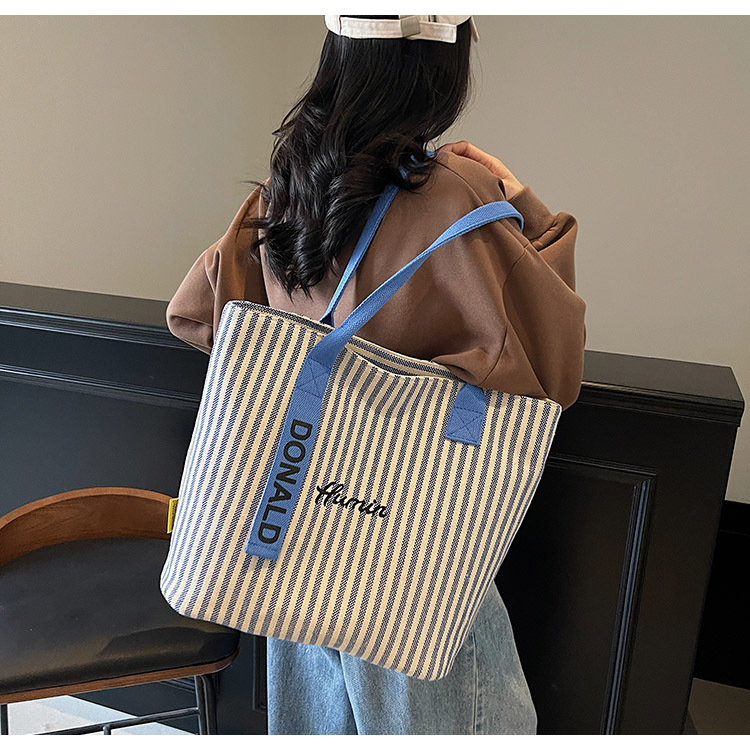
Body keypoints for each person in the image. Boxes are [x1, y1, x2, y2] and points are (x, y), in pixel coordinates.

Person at [165, 15, 586, 735]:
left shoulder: (291, 185)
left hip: (293, 537)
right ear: (442, 72)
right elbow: (555, 365)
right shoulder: (457, 194)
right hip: (412, 549)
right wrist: (524, 206)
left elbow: (196, 313)